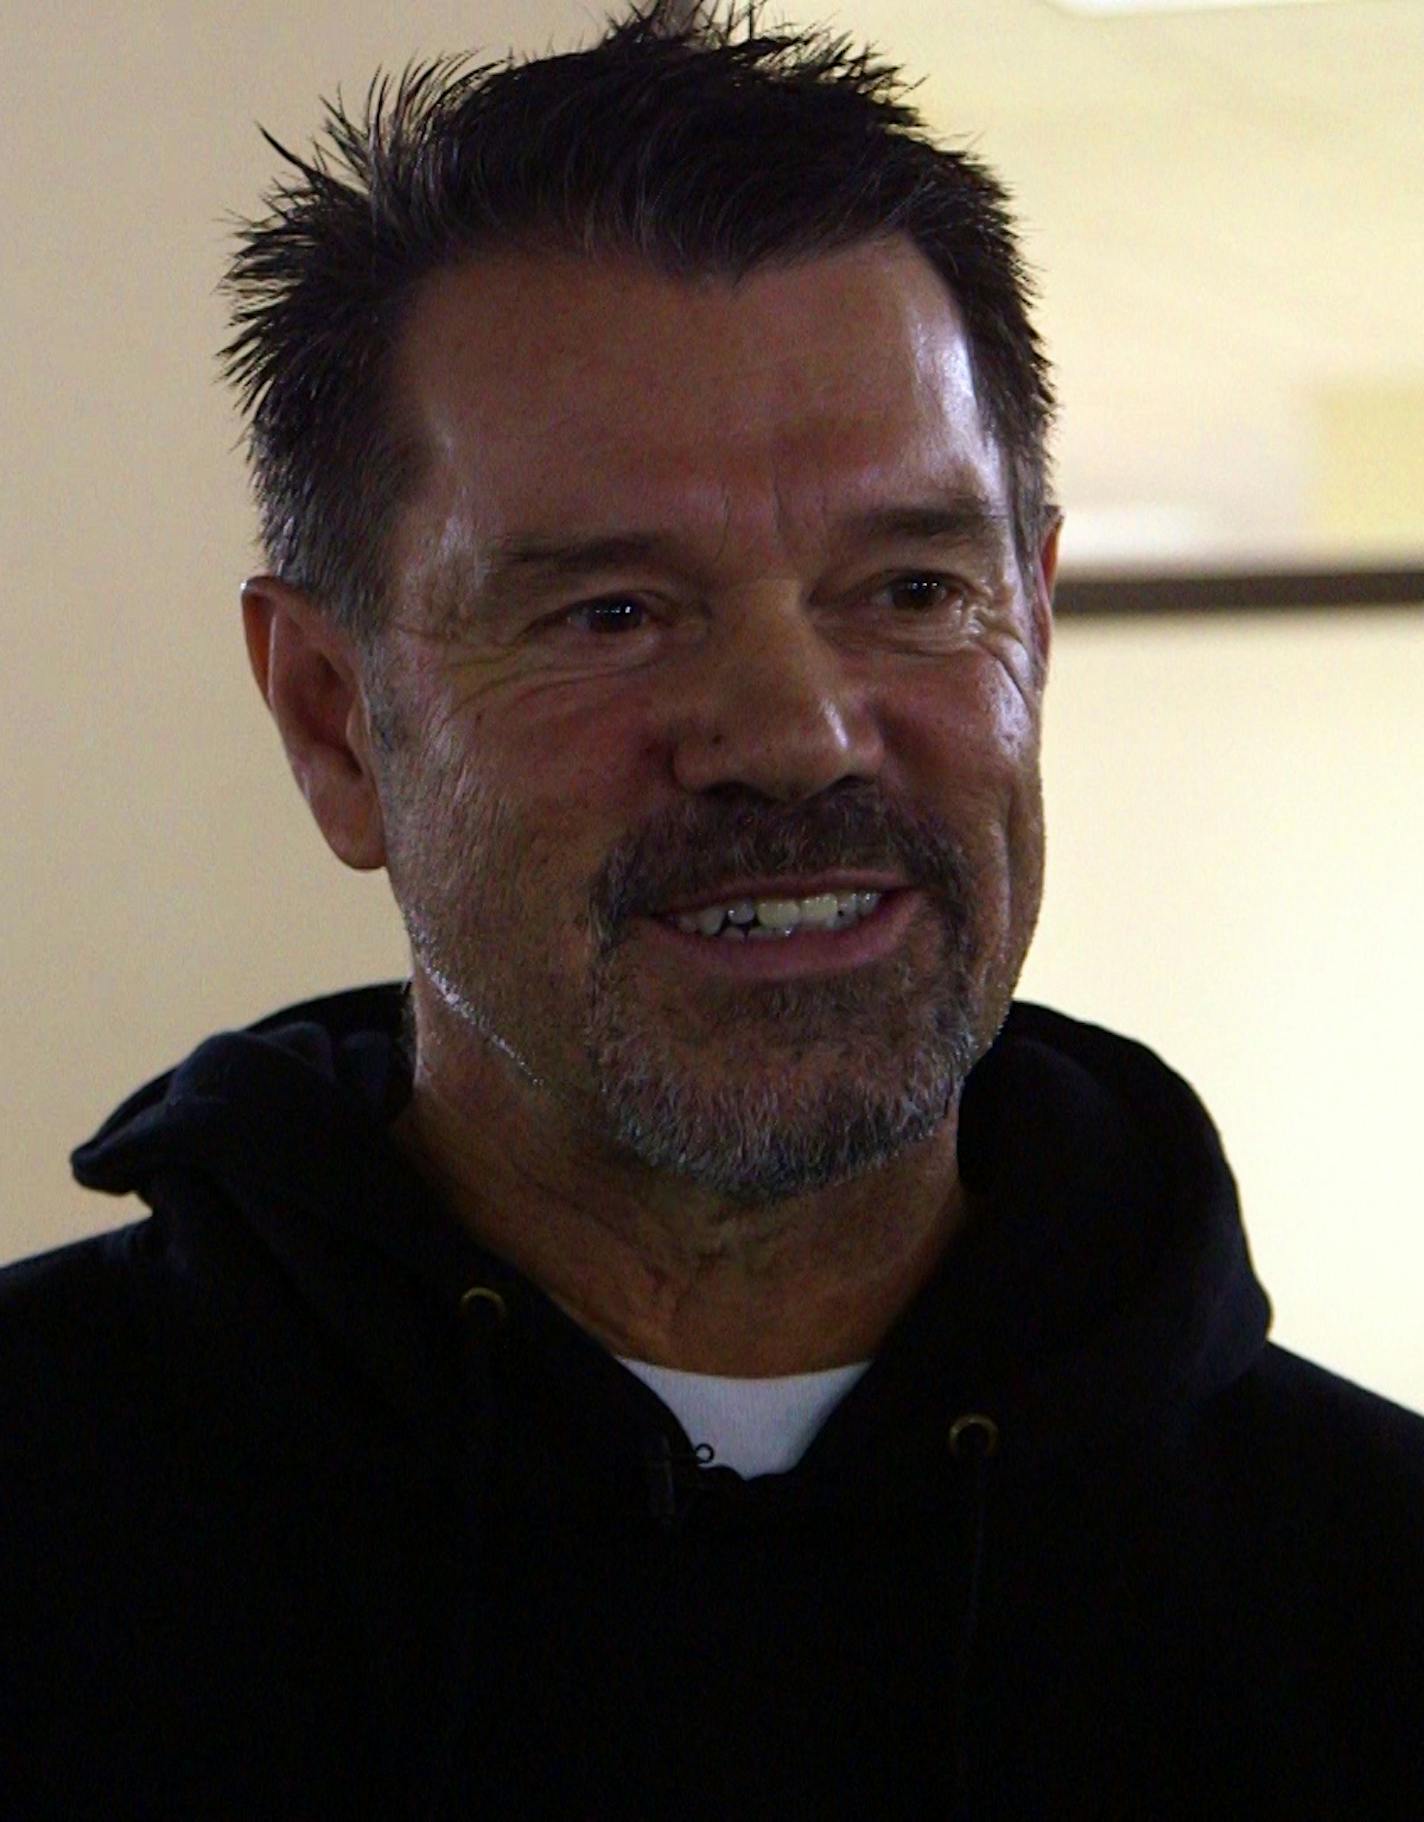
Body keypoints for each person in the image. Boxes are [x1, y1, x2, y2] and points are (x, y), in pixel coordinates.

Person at [3, 2, 1421, 1815]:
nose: (796, 735)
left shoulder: (1371, 1606)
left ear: (1038, 633)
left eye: (912, 586)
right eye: (611, 613)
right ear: (333, 720)